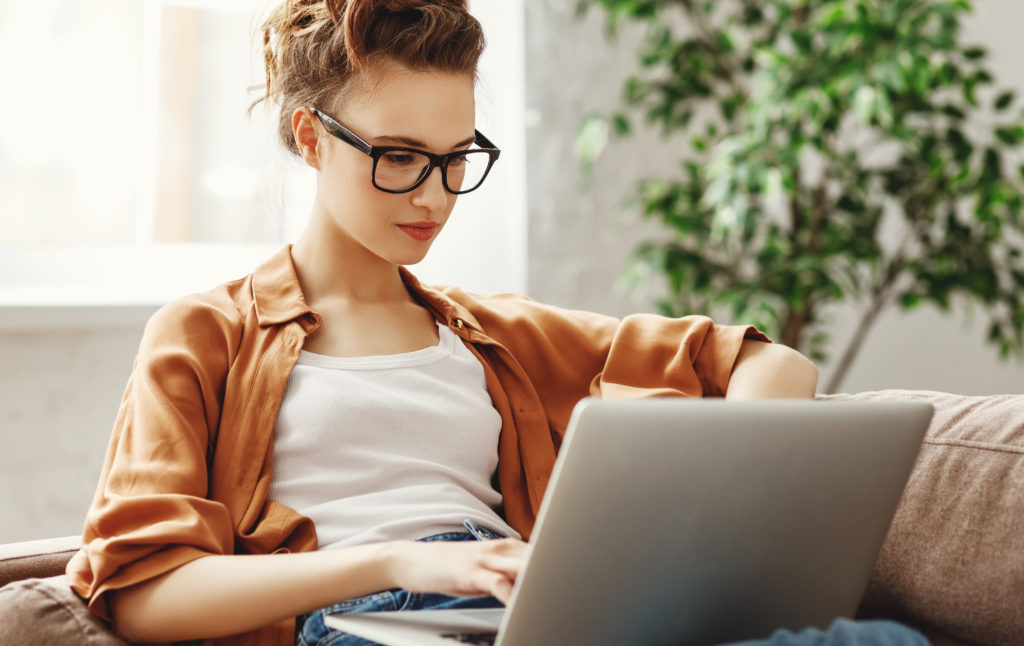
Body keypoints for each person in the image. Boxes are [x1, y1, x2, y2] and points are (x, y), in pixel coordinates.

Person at [64, 1, 927, 645]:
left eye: (456, 158)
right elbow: (145, 593)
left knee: (882, 640)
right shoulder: (206, 334)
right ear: (314, 137)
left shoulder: (492, 335)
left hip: (530, 608)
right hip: (367, 620)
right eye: (399, 158)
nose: (435, 196)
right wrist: (400, 561)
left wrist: (728, 524)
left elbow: (768, 365)